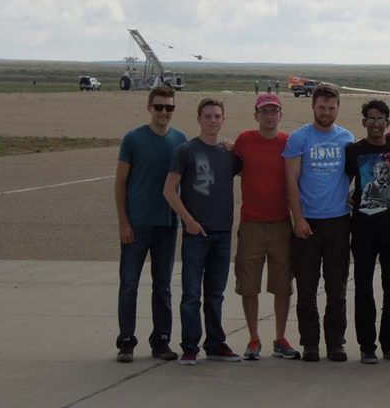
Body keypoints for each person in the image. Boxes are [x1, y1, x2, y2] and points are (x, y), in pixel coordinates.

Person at [163, 98, 243, 365]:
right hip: (196, 233)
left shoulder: (229, 154)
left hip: (222, 232)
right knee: (191, 294)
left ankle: (216, 343)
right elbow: (169, 190)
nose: (212, 121)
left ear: (223, 120)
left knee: (215, 293)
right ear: (199, 119)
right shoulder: (186, 150)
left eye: (217, 116)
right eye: (207, 116)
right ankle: (189, 345)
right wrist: (188, 220)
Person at [283, 83, 356, 363]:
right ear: (313, 107)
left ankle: (335, 342)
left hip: (338, 221)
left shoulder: (346, 138)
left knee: (336, 287)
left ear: (338, 108)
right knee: (307, 287)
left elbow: (352, 171)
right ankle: (310, 342)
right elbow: (291, 180)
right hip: (308, 222)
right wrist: (298, 218)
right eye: (322, 107)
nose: (326, 112)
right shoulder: (300, 138)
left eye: (331, 107)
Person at [114, 85, 187, 363]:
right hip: (137, 224)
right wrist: (123, 222)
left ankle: (161, 340)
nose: (164, 113)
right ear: (149, 108)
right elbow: (120, 183)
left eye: (169, 108)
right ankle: (126, 341)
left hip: (166, 226)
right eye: (159, 107)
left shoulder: (180, 140)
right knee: (129, 284)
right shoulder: (133, 140)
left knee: (163, 287)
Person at [232, 93, 299, 361]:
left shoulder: (289, 143)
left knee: (282, 285)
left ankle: (280, 338)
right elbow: (234, 165)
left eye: (274, 111)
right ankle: (253, 338)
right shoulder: (244, 141)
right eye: (265, 111)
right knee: (249, 285)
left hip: (281, 223)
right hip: (251, 224)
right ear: (256, 115)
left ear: (281, 115)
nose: (269, 115)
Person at [344, 99, 390, 364]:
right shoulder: (353, 151)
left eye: (380, 118)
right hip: (363, 229)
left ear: (387, 122)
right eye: (370, 119)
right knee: (363, 287)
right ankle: (367, 345)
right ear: (363, 122)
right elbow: (344, 182)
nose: (375, 123)